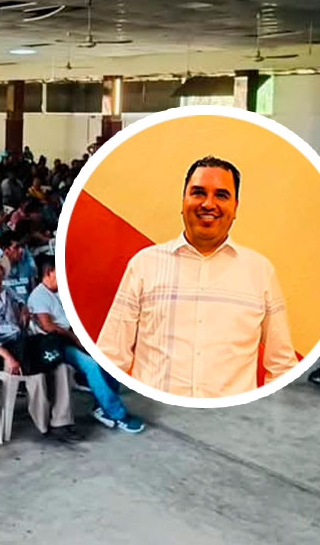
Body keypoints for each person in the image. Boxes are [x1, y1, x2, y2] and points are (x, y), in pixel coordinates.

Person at [96, 156, 298, 397]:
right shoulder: (144, 265)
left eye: (221, 195)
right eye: (198, 192)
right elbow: (111, 355)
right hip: (157, 420)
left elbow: (282, 366)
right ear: (183, 202)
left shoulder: (260, 271)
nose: (208, 204)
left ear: (235, 207)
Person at [0, 251, 79, 442]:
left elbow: (21, 301)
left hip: (22, 343)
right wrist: (8, 357)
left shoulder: (7, 292)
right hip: (1, 351)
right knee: (36, 375)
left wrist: (24, 309)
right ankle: (44, 424)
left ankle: (61, 422)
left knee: (62, 367)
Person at [27, 256, 144, 434]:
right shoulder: (38, 296)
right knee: (92, 365)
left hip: (72, 336)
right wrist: (75, 338)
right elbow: (48, 326)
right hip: (56, 344)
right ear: (49, 273)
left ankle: (101, 406)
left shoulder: (60, 291)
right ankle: (117, 414)